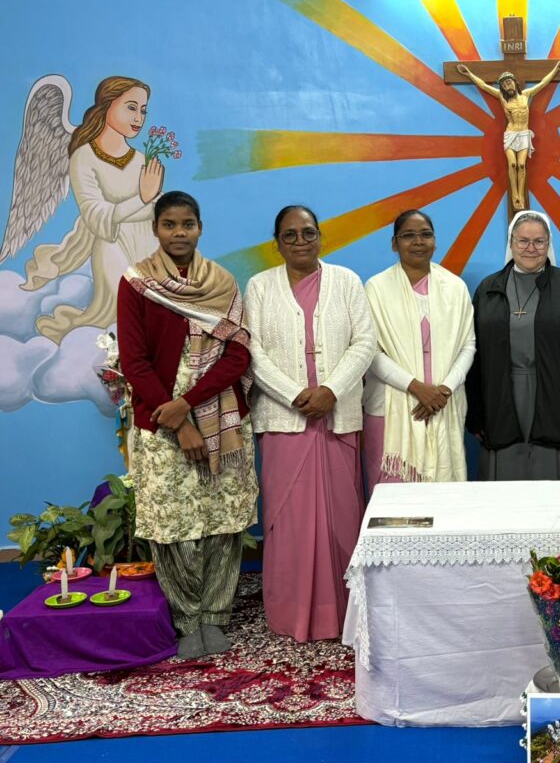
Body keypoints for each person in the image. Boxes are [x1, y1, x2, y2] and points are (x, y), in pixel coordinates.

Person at [117, 190, 256, 658]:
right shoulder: (137, 283)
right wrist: (178, 419)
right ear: (156, 229)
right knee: (174, 523)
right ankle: (186, 617)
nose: (179, 233)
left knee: (222, 519)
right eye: (170, 224)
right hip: (162, 421)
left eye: (188, 224)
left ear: (200, 228)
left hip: (221, 416)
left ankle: (215, 614)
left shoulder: (222, 282)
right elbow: (134, 361)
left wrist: (190, 403)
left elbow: (238, 354)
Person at [244, 205, 377, 642]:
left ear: (320, 237)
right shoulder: (260, 286)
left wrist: (331, 390)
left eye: (308, 233)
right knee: (289, 520)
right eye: (290, 235)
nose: (300, 241)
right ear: (277, 243)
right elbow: (253, 352)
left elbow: (365, 342)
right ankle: (291, 612)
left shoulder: (347, 281)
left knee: (342, 515)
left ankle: (343, 612)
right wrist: (295, 395)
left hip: (337, 417)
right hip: (284, 420)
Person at [19, 76, 165, 342]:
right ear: (108, 105)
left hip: (149, 243)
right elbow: (96, 217)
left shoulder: (142, 160)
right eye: (131, 107)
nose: (139, 118)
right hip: (111, 245)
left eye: (143, 110)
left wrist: (154, 202)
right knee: (125, 313)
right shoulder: (84, 157)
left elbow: (157, 208)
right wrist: (143, 199)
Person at [466, 210, 560, 480]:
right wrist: (476, 415)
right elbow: (474, 357)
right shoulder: (488, 289)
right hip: (501, 397)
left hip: (558, 397)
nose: (531, 248)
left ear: (548, 243)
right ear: (511, 243)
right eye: (523, 241)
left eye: (539, 241)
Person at [363, 209, 476, 494]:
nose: (418, 242)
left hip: (442, 404)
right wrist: (416, 388)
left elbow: (468, 345)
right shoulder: (376, 288)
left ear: (435, 242)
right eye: (408, 235)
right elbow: (371, 351)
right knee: (393, 500)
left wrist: (443, 391)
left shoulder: (455, 287)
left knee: (441, 498)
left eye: (425, 234)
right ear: (394, 243)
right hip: (391, 408)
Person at [456, 60, 560, 210]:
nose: (507, 86)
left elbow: (543, 83)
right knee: (512, 164)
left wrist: (556, 69)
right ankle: (514, 195)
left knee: (521, 165)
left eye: (509, 83)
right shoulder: (502, 98)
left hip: (523, 134)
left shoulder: (526, 95)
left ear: (515, 83)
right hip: (510, 134)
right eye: (504, 85)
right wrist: (469, 74)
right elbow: (483, 86)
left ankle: (521, 195)